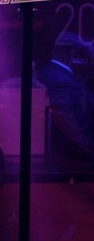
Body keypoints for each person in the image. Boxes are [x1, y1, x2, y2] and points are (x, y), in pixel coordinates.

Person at [36, 32, 94, 167]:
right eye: (87, 54)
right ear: (74, 55)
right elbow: (74, 131)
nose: (91, 61)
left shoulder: (56, 75)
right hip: (74, 163)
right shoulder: (61, 82)